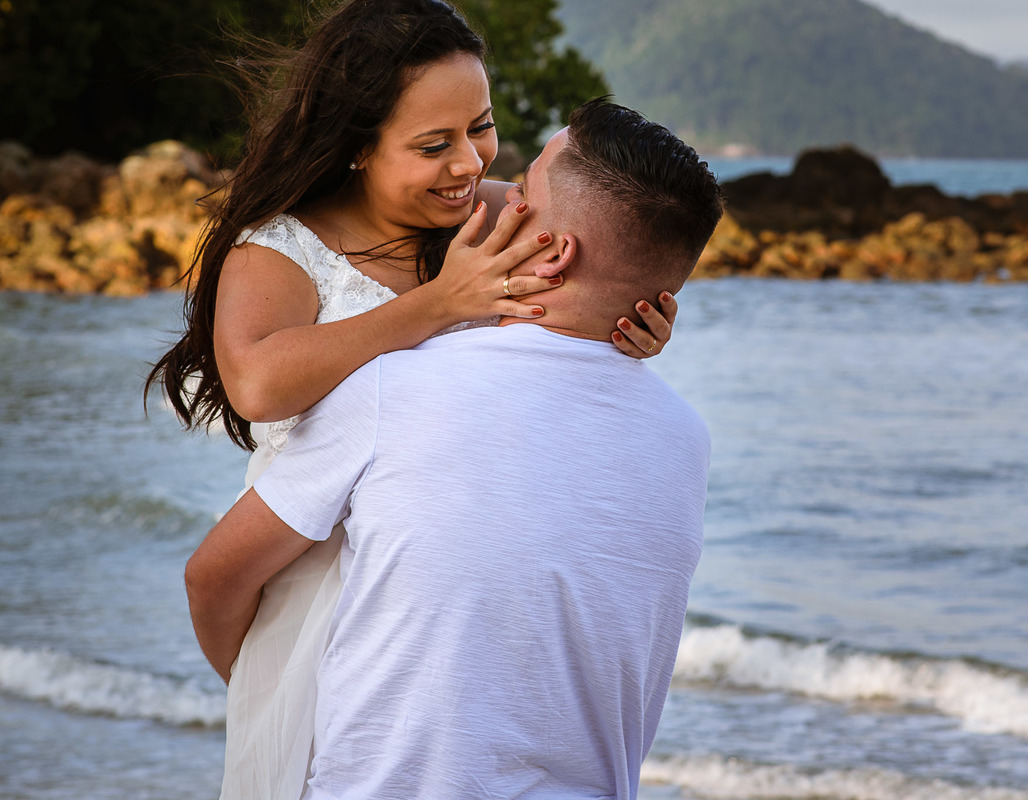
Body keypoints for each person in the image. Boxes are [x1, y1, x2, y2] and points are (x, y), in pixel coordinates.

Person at [145, 2, 679, 797]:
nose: (470, 163)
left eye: (482, 127)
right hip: (318, 588)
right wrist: (439, 305)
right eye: (434, 145)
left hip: (459, 599)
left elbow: (605, 268)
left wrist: (642, 324)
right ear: (357, 148)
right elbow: (255, 382)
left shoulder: (495, 215)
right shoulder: (280, 248)